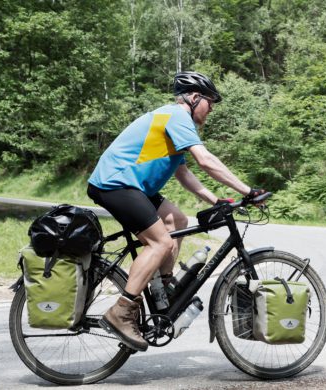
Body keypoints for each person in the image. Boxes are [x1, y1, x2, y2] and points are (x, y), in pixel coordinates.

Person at [87, 71, 264, 352]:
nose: (212, 109)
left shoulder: (173, 121)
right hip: (115, 183)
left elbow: (182, 172)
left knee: (177, 220)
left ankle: (163, 290)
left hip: (134, 186)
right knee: (161, 242)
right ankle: (122, 312)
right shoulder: (176, 116)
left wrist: (214, 199)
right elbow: (205, 161)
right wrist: (247, 191)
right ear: (194, 98)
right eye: (210, 102)